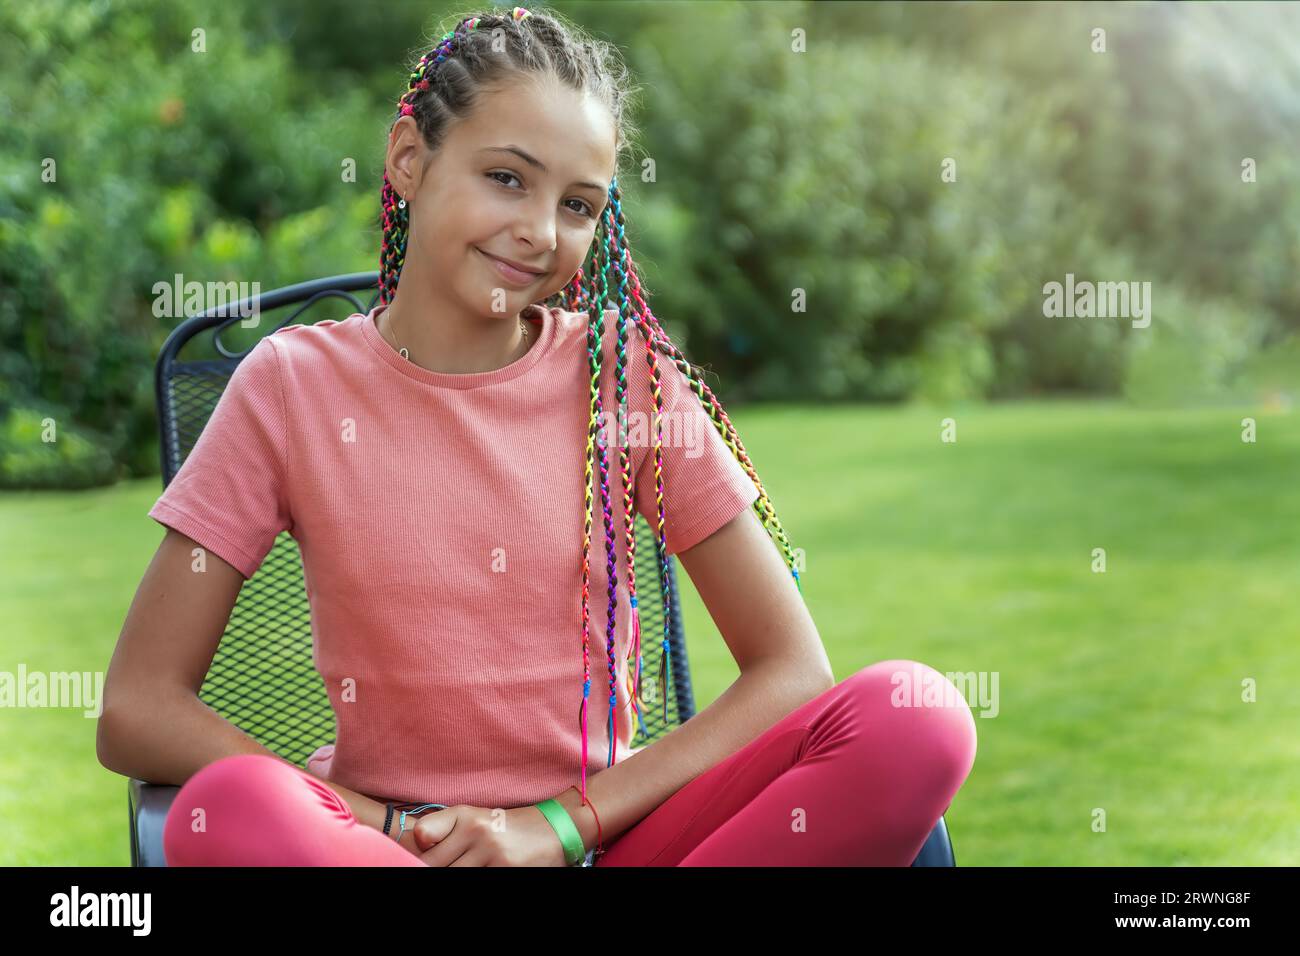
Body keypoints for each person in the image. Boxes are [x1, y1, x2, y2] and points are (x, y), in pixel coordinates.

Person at [98, 5, 976, 867]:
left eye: (580, 205)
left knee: (916, 714)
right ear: (409, 158)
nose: (541, 232)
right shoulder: (291, 387)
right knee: (229, 807)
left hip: (612, 841)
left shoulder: (623, 379)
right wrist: (395, 825)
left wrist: (557, 826)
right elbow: (138, 707)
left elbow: (791, 670)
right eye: (508, 178)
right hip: (394, 851)